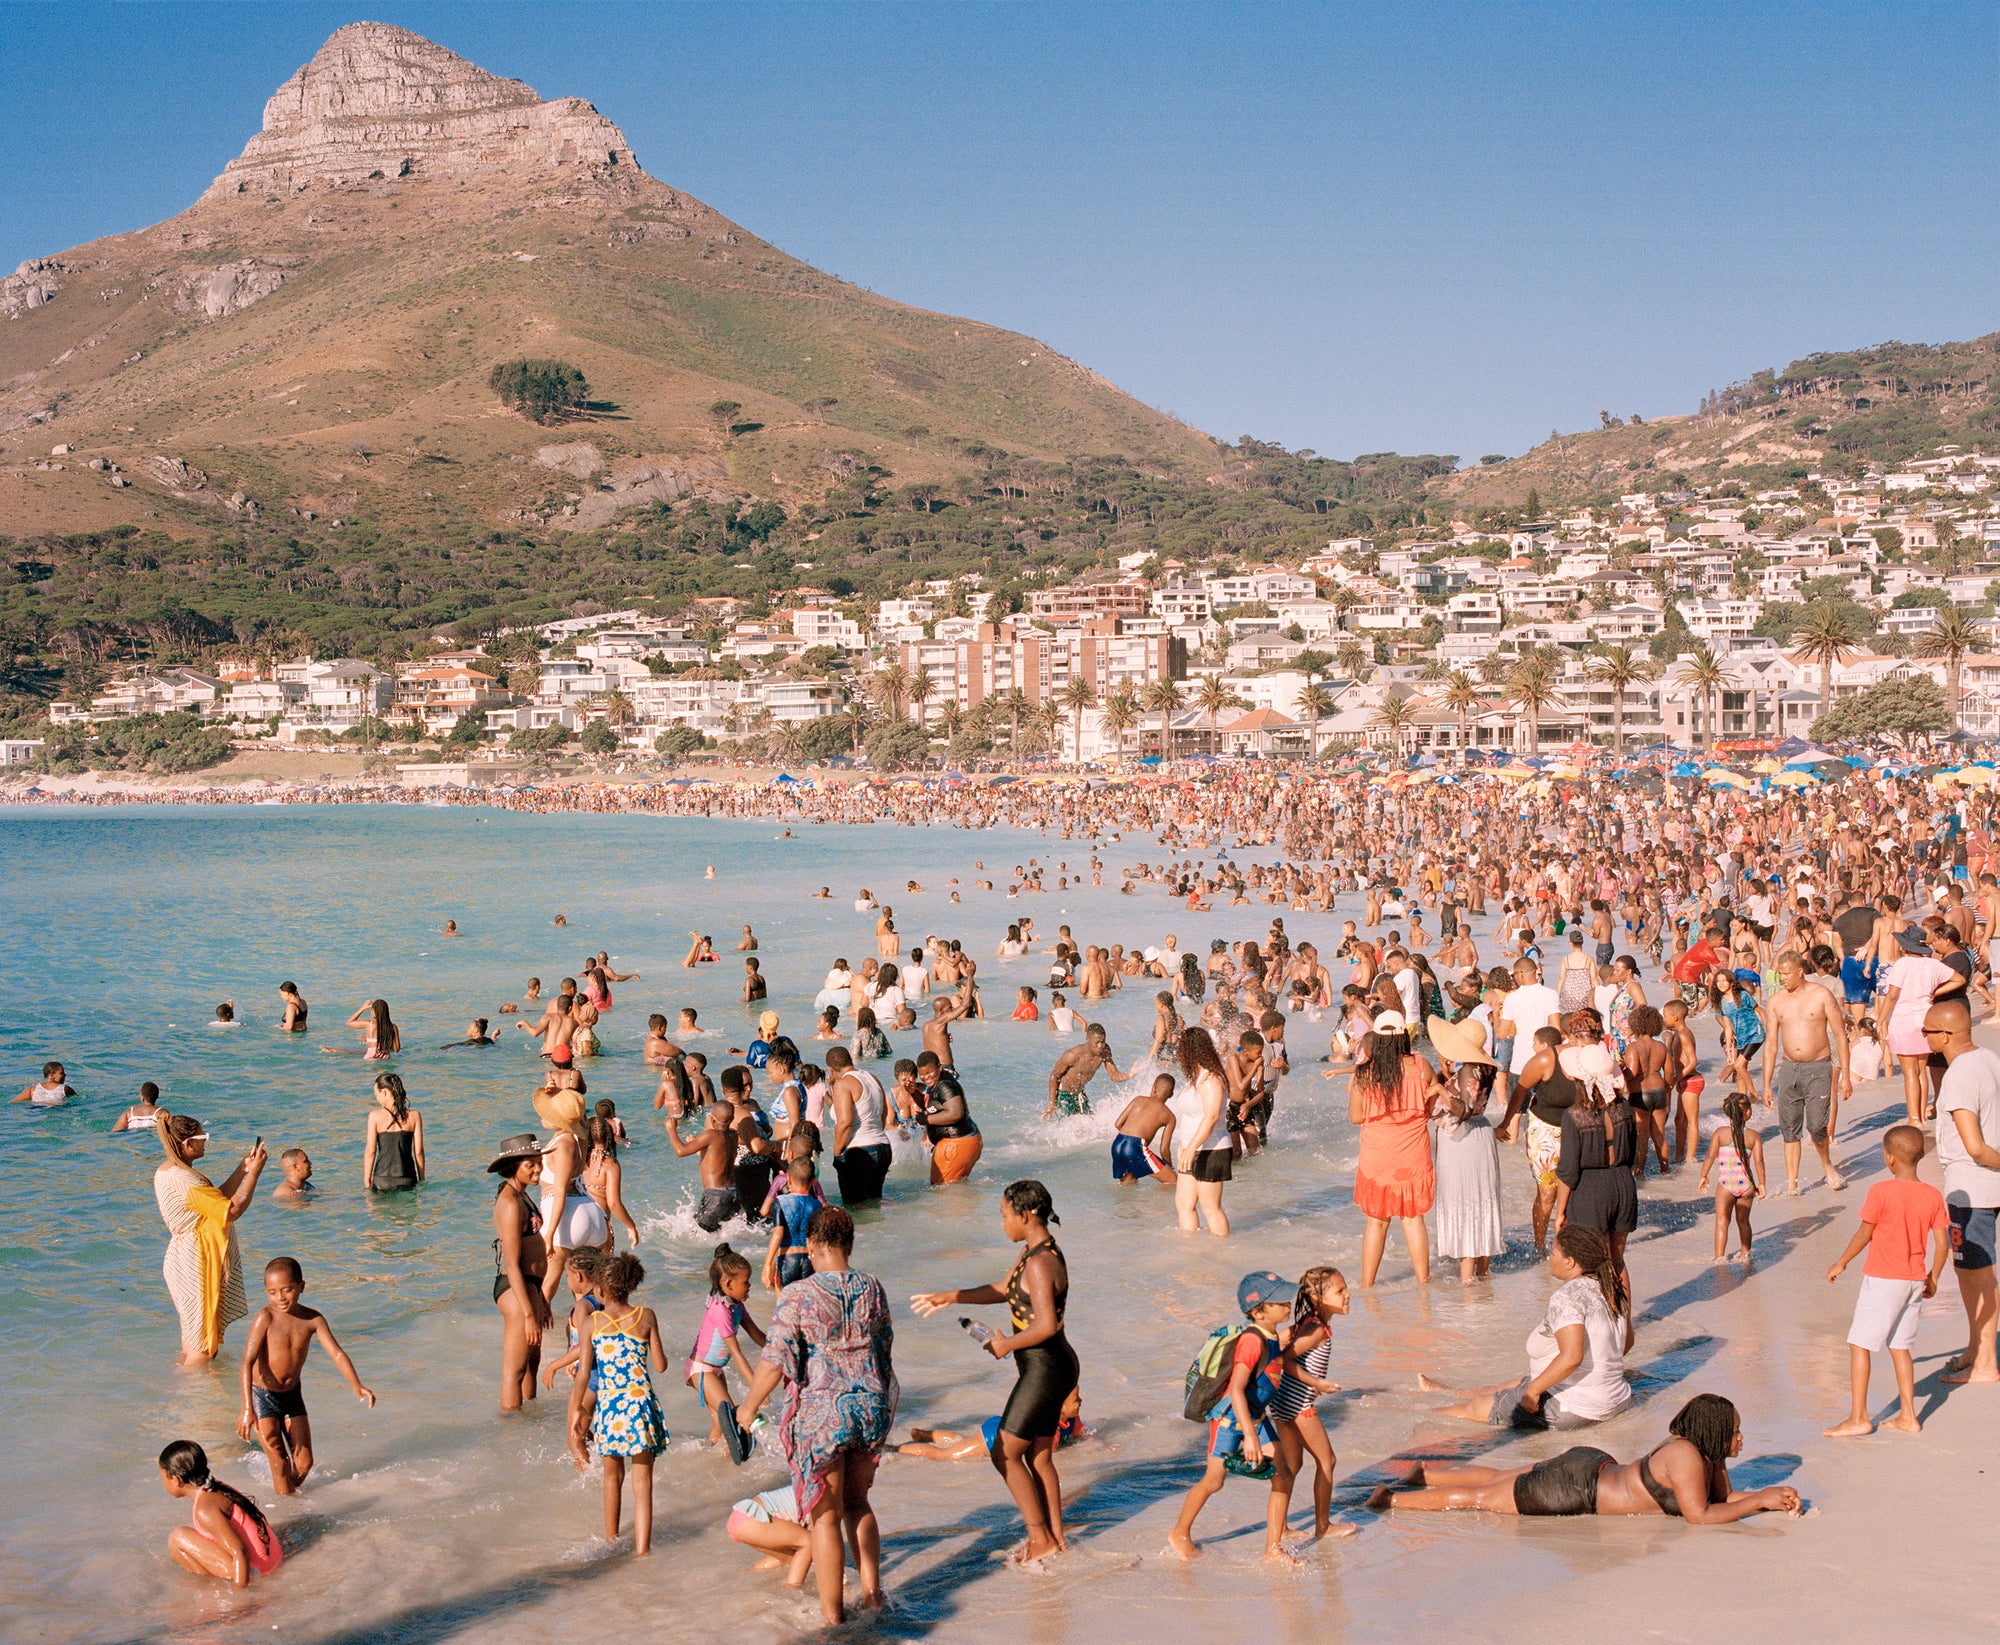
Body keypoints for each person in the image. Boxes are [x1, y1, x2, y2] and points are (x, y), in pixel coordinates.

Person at [738, 1207, 897, 1626]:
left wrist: (749, 1406)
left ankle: (833, 1616)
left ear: (812, 1245)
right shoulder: (873, 1287)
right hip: (869, 1407)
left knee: (825, 1516)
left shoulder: (798, 1294)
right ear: (849, 1243)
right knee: (858, 1504)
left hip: (823, 1416)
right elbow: (884, 1350)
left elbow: (775, 1360)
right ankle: (873, 1595)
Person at [911, 1181, 1079, 1566]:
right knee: (1038, 1458)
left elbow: (1047, 1325)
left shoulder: (1039, 1263)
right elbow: (1005, 1288)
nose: (1002, 1222)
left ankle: (1041, 1539)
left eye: (1004, 1215)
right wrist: (952, 1295)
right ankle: (1056, 1536)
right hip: (1052, 1365)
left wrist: (1006, 1344)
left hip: (1044, 1367)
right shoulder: (1036, 1252)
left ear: (1025, 1215)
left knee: (1004, 1453)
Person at [1368, 1393, 1801, 1522]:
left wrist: (1768, 1494)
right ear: (1715, 1433)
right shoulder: (1687, 1458)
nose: (1741, 1438)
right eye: (1736, 1432)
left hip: (1592, 1466)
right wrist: (1760, 1502)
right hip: (1578, 1489)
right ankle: (1392, 1501)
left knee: (1499, 1476)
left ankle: (1426, 1473)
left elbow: (1722, 1499)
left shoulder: (1702, 1453)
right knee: (1483, 1498)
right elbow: (1700, 1517)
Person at [1419, 1225, 1632, 1428]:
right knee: (1506, 1386)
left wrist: (1533, 1392)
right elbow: (1626, 1342)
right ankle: (1447, 1390)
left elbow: (1572, 1357)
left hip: (1574, 1407)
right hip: (1615, 1398)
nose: (1549, 1257)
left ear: (1570, 1262)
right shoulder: (1609, 1290)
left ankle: (1414, 1420)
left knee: (1468, 1410)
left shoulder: (1567, 1297)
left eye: (1554, 1252)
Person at [1824, 1124, 1951, 1436]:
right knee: (1899, 1347)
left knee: (1859, 1344)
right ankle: (1908, 1415)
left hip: (1883, 1280)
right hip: (1913, 1281)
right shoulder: (1932, 1194)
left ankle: (1858, 1418)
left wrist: (1841, 1262)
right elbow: (1943, 1243)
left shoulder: (1880, 1191)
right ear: (1920, 1156)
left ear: (1890, 1158)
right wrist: (1932, 1277)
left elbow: (1864, 1234)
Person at [1166, 1271, 1297, 1564]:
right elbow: (1236, 1389)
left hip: (1255, 1415)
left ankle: (1273, 1548)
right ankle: (1180, 1532)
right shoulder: (1252, 1341)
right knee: (1214, 1481)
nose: (1287, 1304)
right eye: (1279, 1301)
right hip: (1230, 1419)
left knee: (1283, 1474)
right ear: (1259, 1310)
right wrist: (1249, 1435)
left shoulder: (1270, 1333)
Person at [237, 1256, 375, 1494]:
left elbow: (337, 1353)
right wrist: (247, 1409)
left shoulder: (313, 1320)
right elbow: (247, 1362)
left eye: (287, 1290)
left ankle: (287, 1496)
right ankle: (289, 1514)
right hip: (261, 1395)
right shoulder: (265, 1318)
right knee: (280, 1462)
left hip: (291, 1394)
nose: (280, 1297)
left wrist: (356, 1384)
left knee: (303, 1463)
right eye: (272, 1292)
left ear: (302, 1286)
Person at [567, 1251, 669, 1554]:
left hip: (610, 1408)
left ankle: (611, 1539)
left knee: (612, 1477)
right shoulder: (646, 1316)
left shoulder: (592, 1323)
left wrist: (576, 1410)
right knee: (643, 1482)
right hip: (640, 1404)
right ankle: (642, 1550)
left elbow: (584, 1373)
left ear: (599, 1290)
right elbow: (661, 1366)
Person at [1926, 997, 2000, 1385]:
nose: (1923, 1037)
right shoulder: (1989, 1058)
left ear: (1946, 1034)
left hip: (1971, 1185)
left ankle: (1986, 1364)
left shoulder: (1957, 1076)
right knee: (1970, 1269)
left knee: (1978, 1274)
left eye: (1928, 1032)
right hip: (1987, 1184)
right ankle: (1976, 1348)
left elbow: (1973, 1145)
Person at [154, 1112, 264, 1365]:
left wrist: (242, 1169)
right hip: (196, 1264)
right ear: (187, 1144)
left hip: (185, 1261)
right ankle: (199, 1398)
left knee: (194, 1342)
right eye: (202, 1137)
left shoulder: (171, 1171)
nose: (206, 1142)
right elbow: (231, 1210)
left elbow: (216, 1200)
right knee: (202, 1350)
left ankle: (189, 1394)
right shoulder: (184, 1180)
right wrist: (254, 1175)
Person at [1349, 1011, 1436, 1286]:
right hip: (1413, 1152)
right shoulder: (1421, 1066)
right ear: (1403, 1038)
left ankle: (1367, 1285)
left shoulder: (1365, 1074)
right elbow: (1431, 1106)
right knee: (1412, 1219)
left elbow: (1355, 1117)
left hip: (1378, 1154)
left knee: (1377, 1221)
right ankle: (1424, 1283)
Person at [1269, 1265, 1353, 1544]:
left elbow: (1283, 1345)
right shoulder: (1317, 1329)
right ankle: (1323, 1526)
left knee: (1292, 1466)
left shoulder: (1310, 1322)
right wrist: (1317, 1384)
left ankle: (1280, 1529)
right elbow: (1287, 1359)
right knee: (1327, 1460)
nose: (1347, 1295)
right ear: (1318, 1298)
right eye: (1340, 1291)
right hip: (1298, 1405)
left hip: (1281, 1405)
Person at [1760, 950, 1851, 1194]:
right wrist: (1767, 1083)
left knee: (1817, 1126)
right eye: (1779, 974)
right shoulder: (1776, 1001)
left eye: (1786, 974)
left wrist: (1846, 1075)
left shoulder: (1821, 995)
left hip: (1819, 1067)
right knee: (1789, 1127)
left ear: (1800, 971)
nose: (1782, 979)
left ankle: (1827, 1164)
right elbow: (1770, 1044)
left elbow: (1841, 1036)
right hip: (1789, 1068)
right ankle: (1792, 1182)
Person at [1428, 1014, 1503, 1282]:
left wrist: (1440, 1090)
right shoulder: (1483, 1068)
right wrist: (1447, 1077)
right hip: (1479, 1135)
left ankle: (1467, 1279)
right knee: (1480, 1200)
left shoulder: (1468, 1070)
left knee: (1465, 1199)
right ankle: (1482, 1273)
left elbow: (1464, 1110)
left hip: (1464, 1139)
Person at [157, 1439, 282, 1586]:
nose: (163, 1483)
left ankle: (208, 1586)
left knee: (178, 1539)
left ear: (176, 1479)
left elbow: (239, 1553)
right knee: (180, 1549)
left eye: (163, 1478)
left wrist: (241, 1600)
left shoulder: (205, 1509)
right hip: (274, 1555)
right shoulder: (215, 1487)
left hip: (256, 1570)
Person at [489, 1133, 551, 1412]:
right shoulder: (511, 1204)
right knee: (514, 1371)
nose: (538, 1169)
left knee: (532, 1363)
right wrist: (528, 1314)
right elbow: (512, 1264)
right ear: (513, 1166)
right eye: (531, 1165)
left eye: (539, 1163)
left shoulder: (521, 1194)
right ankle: (512, 1432)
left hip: (530, 1287)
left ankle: (530, 1419)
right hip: (515, 1288)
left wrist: (541, 1300)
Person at [686, 1242, 767, 1446]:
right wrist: (757, 1388)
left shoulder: (737, 1306)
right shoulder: (720, 1309)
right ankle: (730, 1460)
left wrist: (784, 1351)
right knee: (731, 1418)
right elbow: (736, 1353)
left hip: (715, 1370)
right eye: (746, 1282)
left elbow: (757, 1335)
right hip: (701, 1370)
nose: (749, 1286)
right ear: (729, 1284)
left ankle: (711, 1461)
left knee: (721, 1425)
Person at [1875, 929, 1959, 1125]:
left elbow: (1893, 994)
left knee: (1909, 1073)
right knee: (1921, 1071)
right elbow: (1959, 979)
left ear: (1905, 946)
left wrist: (1881, 1020)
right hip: (1926, 1021)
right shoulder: (1933, 964)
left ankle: (1914, 1119)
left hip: (1904, 1021)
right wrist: (1935, 993)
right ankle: (1921, 1115)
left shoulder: (1902, 964)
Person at [1170, 1026, 1233, 1236]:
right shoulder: (1197, 1078)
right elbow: (1191, 1117)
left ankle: (1222, 1252)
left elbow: (1212, 1116)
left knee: (1210, 1208)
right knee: (1183, 1203)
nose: (1178, 1054)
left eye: (1181, 1049)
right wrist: (1184, 1146)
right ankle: (1192, 1253)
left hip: (1211, 1149)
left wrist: (1191, 1148)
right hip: (1192, 1148)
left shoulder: (1211, 1079)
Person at [1697, 1091, 1766, 1261]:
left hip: (1726, 1185)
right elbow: (1759, 1163)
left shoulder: (1720, 1133)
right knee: (1743, 1222)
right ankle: (1745, 1254)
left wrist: (1703, 1176)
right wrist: (1762, 1184)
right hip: (1747, 1185)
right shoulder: (1753, 1136)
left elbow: (1710, 1157)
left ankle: (1719, 1257)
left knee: (1722, 1221)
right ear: (1748, 1112)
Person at [825, 1046, 895, 1205]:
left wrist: (837, 1152)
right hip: (882, 1147)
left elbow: (845, 1122)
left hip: (860, 1151)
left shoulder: (843, 1084)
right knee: (873, 1205)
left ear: (831, 1069)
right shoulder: (872, 1077)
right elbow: (884, 1113)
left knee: (855, 1210)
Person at [725, 1481, 813, 1590]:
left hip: (741, 1518)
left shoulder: (814, 1485)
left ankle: (744, 1582)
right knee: (810, 1542)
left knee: (794, 1557)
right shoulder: (824, 1495)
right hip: (753, 1516)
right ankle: (792, 1593)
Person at [668, 1102, 740, 1233]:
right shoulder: (734, 1135)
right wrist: (699, 1145)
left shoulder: (711, 1134)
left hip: (716, 1196)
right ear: (732, 1119)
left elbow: (680, 1151)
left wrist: (671, 1130)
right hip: (733, 1193)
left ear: (712, 1119)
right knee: (715, 1234)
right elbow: (719, 1157)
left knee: (697, 1233)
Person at [914, 1051, 982, 1185]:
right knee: (956, 1188)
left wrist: (926, 1120)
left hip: (957, 1144)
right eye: (922, 1074)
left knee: (942, 1191)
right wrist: (913, 1093)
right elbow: (937, 1106)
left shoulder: (945, 1085)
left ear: (939, 1067)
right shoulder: (938, 1083)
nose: (926, 1077)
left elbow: (955, 1113)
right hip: (967, 1141)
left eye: (929, 1072)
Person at [1045, 1024, 1128, 1119]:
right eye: (1097, 1042)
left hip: (1080, 1094)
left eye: (1103, 1042)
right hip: (1064, 1095)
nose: (1100, 1046)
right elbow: (1054, 1076)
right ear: (1087, 1040)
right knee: (1068, 1127)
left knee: (1091, 1123)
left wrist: (1131, 1074)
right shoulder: (1072, 1055)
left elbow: (1114, 1076)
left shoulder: (1104, 1051)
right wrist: (1052, 1103)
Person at [1112, 1073, 1178, 1187]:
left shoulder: (1138, 1099)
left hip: (1117, 1144)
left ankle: (1126, 1206)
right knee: (1172, 1180)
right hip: (1135, 1147)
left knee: (1128, 1184)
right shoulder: (1170, 1116)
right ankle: (1151, 1205)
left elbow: (1118, 1123)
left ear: (1154, 1089)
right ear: (1171, 1094)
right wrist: (1169, 1168)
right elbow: (1164, 1149)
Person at [361, 1072, 424, 1193]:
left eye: (376, 1095)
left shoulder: (375, 1116)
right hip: (407, 1178)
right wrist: (422, 1179)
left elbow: (370, 1151)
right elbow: (419, 1152)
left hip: (382, 1180)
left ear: (383, 1092)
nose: (377, 1098)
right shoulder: (415, 1116)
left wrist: (367, 1181)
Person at [324, 998, 398, 1059]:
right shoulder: (393, 1027)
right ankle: (333, 1050)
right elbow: (396, 1049)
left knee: (356, 1053)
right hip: (386, 1058)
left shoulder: (369, 1024)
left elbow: (349, 1023)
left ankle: (333, 1050)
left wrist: (363, 1008)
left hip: (370, 1057)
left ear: (374, 1011)